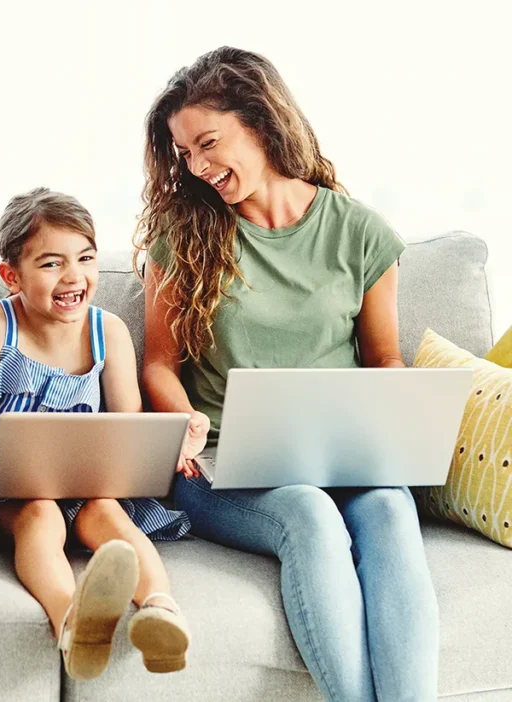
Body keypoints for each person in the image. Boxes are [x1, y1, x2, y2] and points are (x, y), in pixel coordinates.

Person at [137, 47, 437, 701]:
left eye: (208, 143)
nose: (197, 166)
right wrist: (179, 417)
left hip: (344, 459)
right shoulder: (184, 235)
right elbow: (160, 363)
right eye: (185, 153)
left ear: (261, 120)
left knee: (389, 507)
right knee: (308, 514)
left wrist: (396, 411)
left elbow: (384, 356)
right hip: (221, 465)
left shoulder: (358, 232)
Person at [0, 187, 192, 680]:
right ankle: (71, 622)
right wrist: (22, 462)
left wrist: (174, 438)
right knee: (41, 518)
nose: (74, 276)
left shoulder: (110, 332)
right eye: (52, 264)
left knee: (110, 518)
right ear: (11, 275)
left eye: (85, 258)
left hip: (85, 483)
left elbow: (127, 427)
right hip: (6, 485)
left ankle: (162, 612)